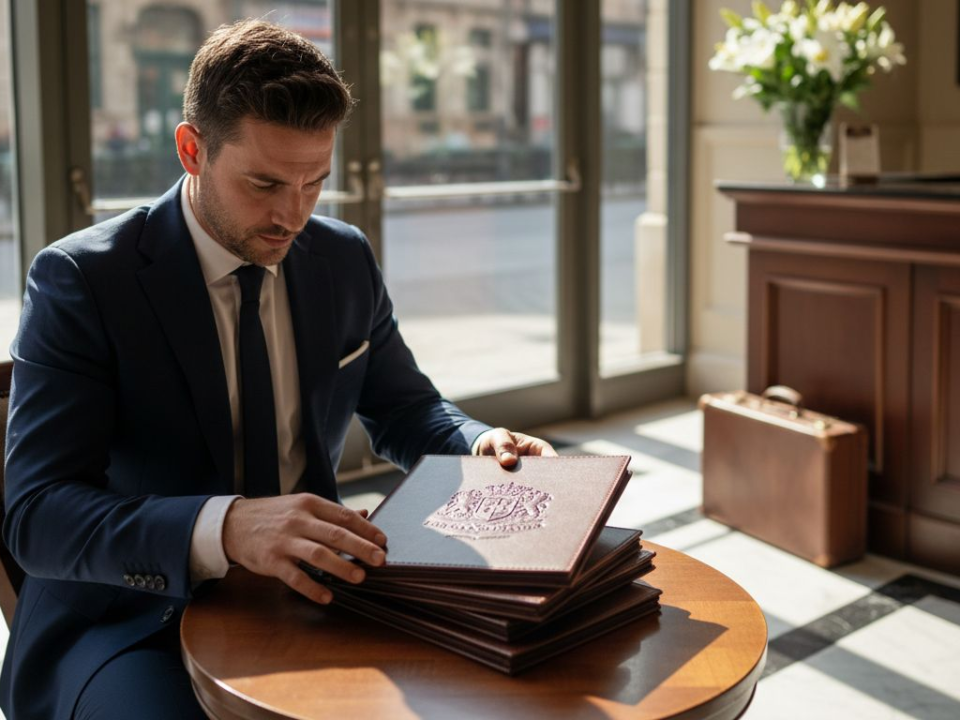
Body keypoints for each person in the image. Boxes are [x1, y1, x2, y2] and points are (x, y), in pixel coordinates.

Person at [0, 19, 556, 719]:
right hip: (131, 620)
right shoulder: (84, 279)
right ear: (191, 149)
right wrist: (228, 528)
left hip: (319, 594)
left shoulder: (341, 258)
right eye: (264, 183)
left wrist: (478, 444)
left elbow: (407, 408)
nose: (291, 216)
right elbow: (36, 515)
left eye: (314, 183)